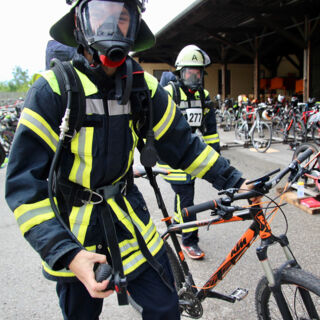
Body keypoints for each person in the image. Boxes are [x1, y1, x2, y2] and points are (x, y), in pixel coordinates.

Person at [5, 1, 254, 319]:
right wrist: (67, 254)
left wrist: (234, 180)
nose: (112, 27)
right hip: (74, 235)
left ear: (134, 26)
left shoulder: (142, 86)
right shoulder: (52, 90)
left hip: (129, 222)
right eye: (100, 14)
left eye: (122, 17)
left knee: (165, 310)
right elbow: (24, 187)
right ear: (80, 23)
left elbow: (185, 146)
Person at [158, 45, 220, 259]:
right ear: (180, 73)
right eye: (189, 72)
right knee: (186, 195)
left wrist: (216, 159)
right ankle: (188, 240)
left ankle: (177, 223)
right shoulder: (169, 93)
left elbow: (210, 131)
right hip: (171, 154)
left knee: (184, 192)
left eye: (198, 72)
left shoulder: (204, 96)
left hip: (191, 151)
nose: (194, 77)